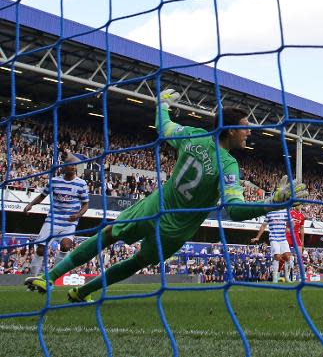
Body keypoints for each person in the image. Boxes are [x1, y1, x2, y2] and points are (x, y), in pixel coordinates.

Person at [25, 88, 307, 302]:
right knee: (136, 261)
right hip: (178, 226)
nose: (248, 133)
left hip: (156, 205)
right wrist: (272, 203)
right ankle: (81, 291)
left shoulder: (194, 135)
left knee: (110, 233)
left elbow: (164, 127)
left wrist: (161, 105)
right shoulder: (229, 164)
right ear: (231, 131)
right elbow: (234, 209)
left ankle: (50, 278)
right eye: (245, 128)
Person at [23, 153, 89, 281]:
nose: (73, 167)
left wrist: (78, 215)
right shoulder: (54, 181)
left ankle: (51, 278)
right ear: (64, 167)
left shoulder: (81, 184)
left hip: (70, 222)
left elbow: (86, 205)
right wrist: (30, 204)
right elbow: (42, 195)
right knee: (41, 249)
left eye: (74, 165)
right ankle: (32, 279)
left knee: (65, 246)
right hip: (52, 219)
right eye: (70, 165)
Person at [252, 208, 291, 283]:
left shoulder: (284, 211)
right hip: (274, 238)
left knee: (287, 256)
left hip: (283, 238)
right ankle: (275, 278)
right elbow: (263, 225)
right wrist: (257, 237)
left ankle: (287, 277)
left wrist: (288, 228)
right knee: (277, 256)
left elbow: (291, 222)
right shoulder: (269, 213)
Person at [285, 203, 305, 281]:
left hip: (296, 235)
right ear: (295, 205)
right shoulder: (290, 213)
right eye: (299, 204)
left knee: (300, 255)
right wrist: (287, 231)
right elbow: (286, 226)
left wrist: (302, 241)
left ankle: (301, 276)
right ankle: (287, 276)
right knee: (287, 256)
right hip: (289, 234)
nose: (300, 206)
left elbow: (302, 229)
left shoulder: (302, 216)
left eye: (301, 205)